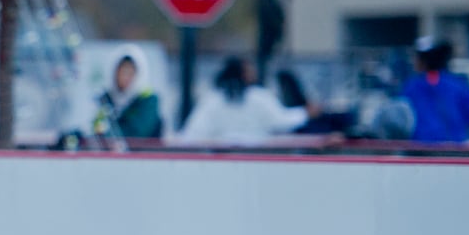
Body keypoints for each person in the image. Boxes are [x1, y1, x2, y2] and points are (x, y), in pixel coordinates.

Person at [173, 55, 314, 146]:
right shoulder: (259, 97)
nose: (254, 73)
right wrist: (305, 114)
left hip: (219, 162)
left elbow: (194, 132)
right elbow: (281, 121)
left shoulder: (213, 99)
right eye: (250, 70)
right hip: (257, 159)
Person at [401, 37, 469, 144]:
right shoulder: (455, 85)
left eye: (416, 58)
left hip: (422, 152)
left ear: (422, 61)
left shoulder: (411, 88)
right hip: (453, 151)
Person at [93, 44, 163, 140]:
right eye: (122, 71)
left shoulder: (148, 100)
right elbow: (98, 126)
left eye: (130, 72)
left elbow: (138, 132)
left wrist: (109, 137)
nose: (125, 77)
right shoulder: (106, 99)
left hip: (143, 153)